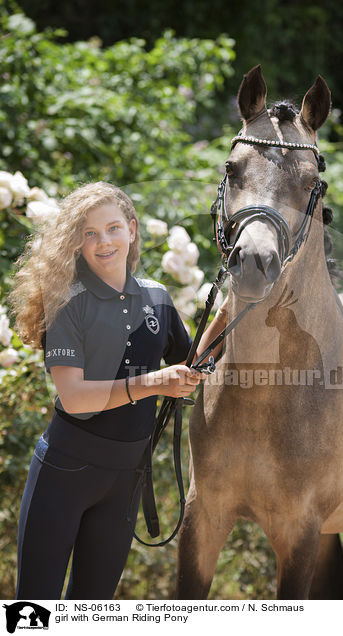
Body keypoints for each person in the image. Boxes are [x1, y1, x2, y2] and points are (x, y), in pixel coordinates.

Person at [8, 181, 227, 600]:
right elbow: (74, 396)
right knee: (34, 609)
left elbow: (193, 364)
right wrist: (153, 383)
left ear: (131, 229)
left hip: (126, 479)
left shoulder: (158, 299)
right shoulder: (68, 304)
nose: (103, 241)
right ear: (76, 243)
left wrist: (229, 306)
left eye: (112, 228)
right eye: (89, 233)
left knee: (92, 611)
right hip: (63, 473)